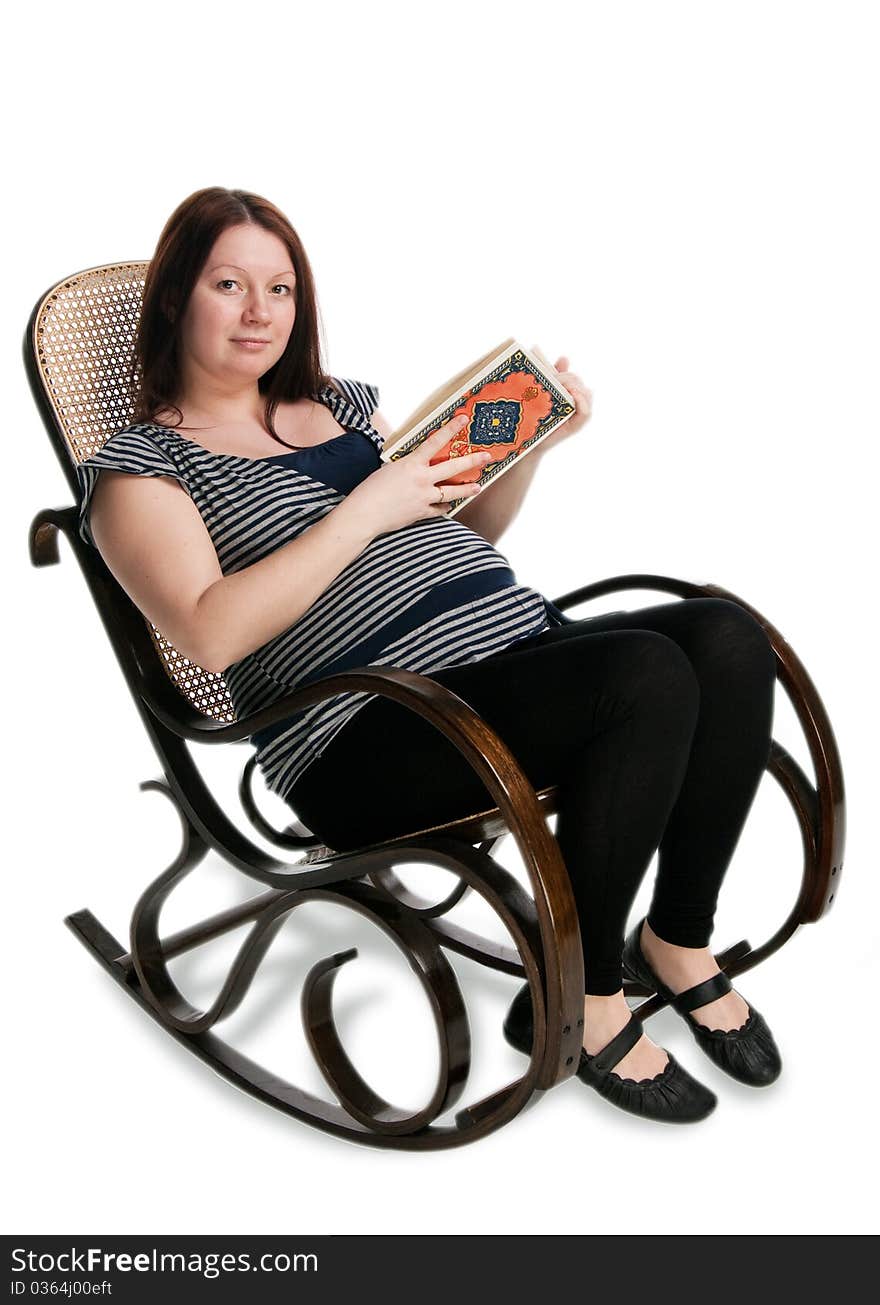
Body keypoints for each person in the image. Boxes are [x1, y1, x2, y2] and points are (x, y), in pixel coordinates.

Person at [75, 186, 781, 1127]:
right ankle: (584, 995)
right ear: (175, 301)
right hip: (371, 729)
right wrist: (365, 506)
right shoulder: (143, 471)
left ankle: (680, 940)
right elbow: (207, 632)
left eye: (280, 288)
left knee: (725, 638)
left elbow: (461, 526)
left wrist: (531, 451)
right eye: (230, 284)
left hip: (511, 656)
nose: (260, 312)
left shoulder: (338, 408)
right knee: (645, 678)